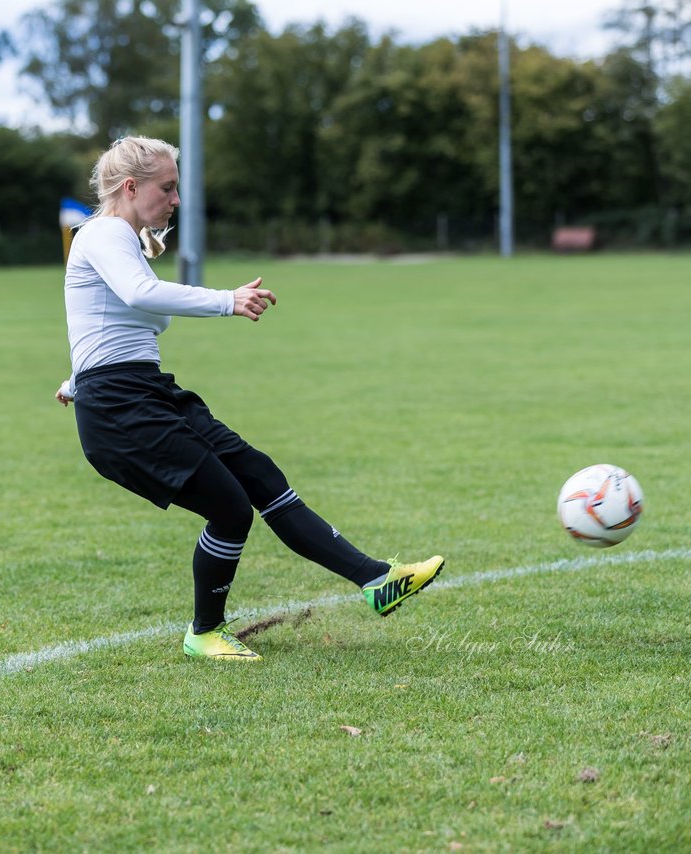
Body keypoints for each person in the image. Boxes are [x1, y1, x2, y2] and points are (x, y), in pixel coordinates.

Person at [54, 136, 444, 661]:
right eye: (167, 189)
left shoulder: (123, 242)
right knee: (231, 509)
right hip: (121, 410)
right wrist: (226, 300)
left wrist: (77, 376)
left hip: (144, 391)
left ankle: (377, 581)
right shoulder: (102, 233)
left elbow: (107, 322)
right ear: (131, 187)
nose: (175, 201)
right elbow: (137, 297)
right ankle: (204, 632)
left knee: (259, 474)